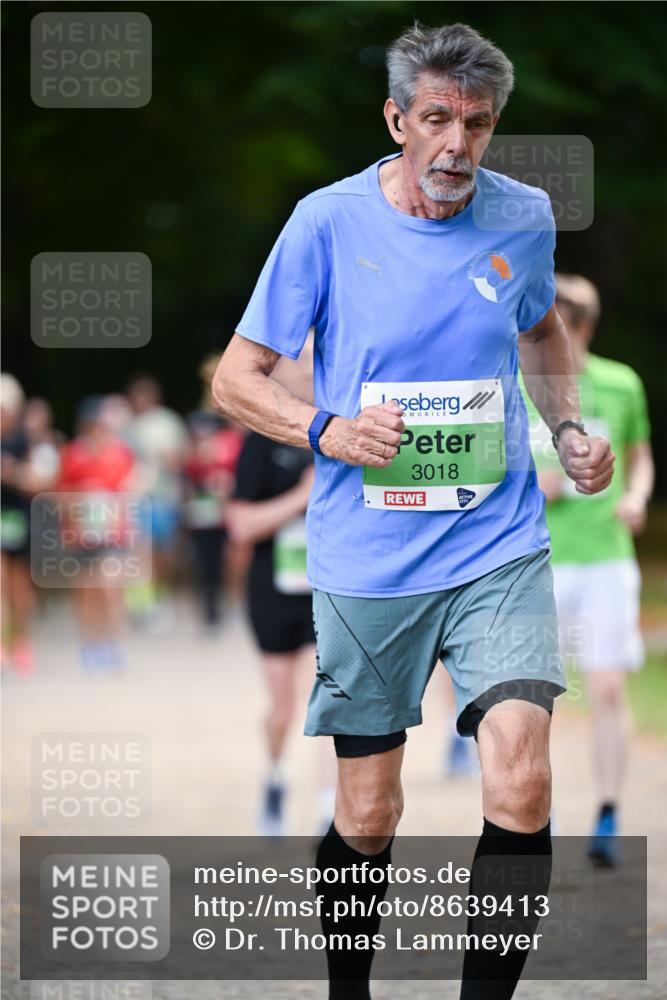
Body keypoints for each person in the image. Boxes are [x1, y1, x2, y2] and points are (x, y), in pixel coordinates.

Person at [212, 21, 614, 1000]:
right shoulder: (325, 222)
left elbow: (542, 335)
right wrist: (324, 429)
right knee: (369, 807)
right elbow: (236, 378)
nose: (455, 144)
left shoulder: (521, 218)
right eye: (435, 119)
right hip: (369, 555)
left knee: (520, 778)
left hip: (496, 541)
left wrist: (567, 428)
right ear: (396, 118)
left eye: (475, 123)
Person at [524, 273, 653, 867]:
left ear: (582, 328)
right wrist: (532, 487)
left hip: (604, 560)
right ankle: (529, 816)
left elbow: (640, 455)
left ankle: (606, 812)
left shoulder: (621, 383)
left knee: (604, 686)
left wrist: (637, 496)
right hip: (536, 564)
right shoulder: (523, 386)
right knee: (529, 701)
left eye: (558, 328)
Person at [225, 333, 336, 836]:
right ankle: (274, 776)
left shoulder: (343, 431)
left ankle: (326, 810)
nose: (313, 372)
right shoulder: (258, 441)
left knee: (328, 699)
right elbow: (241, 525)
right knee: (284, 707)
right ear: (278, 371)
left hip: (327, 588)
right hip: (272, 589)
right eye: (305, 362)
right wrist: (299, 499)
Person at [58, 396, 136, 671]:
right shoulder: (72, 453)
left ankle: (114, 644)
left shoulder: (120, 453)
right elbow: (59, 494)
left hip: (113, 533)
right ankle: (91, 644)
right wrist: (81, 497)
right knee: (88, 592)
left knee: (111, 587)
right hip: (82, 533)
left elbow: (129, 492)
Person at [125, 375, 188, 628]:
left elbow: (178, 459)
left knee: (164, 552)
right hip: (138, 497)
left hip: (164, 496)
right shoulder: (129, 426)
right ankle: (144, 602)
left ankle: (160, 595)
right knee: (142, 551)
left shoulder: (167, 422)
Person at [182, 409, 244, 628]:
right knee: (203, 563)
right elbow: (186, 481)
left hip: (224, 515)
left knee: (227, 560)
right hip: (201, 516)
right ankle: (209, 611)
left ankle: (231, 602)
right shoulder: (190, 453)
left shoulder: (230, 445)